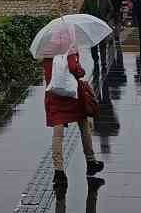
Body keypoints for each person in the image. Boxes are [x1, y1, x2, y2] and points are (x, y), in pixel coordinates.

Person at [44, 45, 103, 186]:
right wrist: (80, 69)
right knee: (84, 125)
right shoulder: (69, 49)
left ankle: (59, 171)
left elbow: (48, 74)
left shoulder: (47, 52)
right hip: (72, 96)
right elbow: (74, 69)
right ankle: (90, 161)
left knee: (57, 135)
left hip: (54, 97)